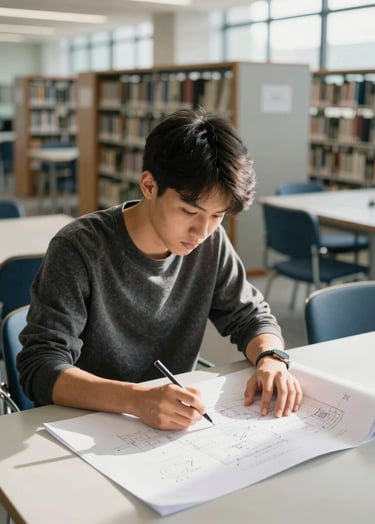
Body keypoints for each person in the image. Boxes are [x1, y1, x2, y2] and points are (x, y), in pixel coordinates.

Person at [17, 108, 302, 430]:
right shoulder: (79, 247)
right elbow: (39, 367)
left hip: (168, 422)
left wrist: (272, 358)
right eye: (188, 211)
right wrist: (137, 400)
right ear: (149, 185)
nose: (201, 232)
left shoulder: (210, 241)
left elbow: (250, 316)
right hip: (81, 421)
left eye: (217, 216)